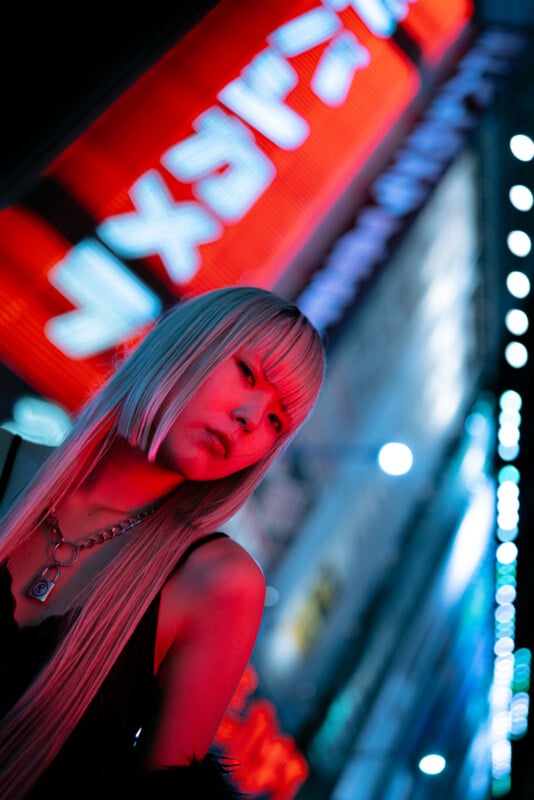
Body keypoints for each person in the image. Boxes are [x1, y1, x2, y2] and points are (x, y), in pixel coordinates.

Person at [0, 285, 325, 800]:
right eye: (248, 373)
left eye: (276, 421)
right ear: (188, 344)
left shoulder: (219, 583)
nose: (249, 419)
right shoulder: (6, 460)